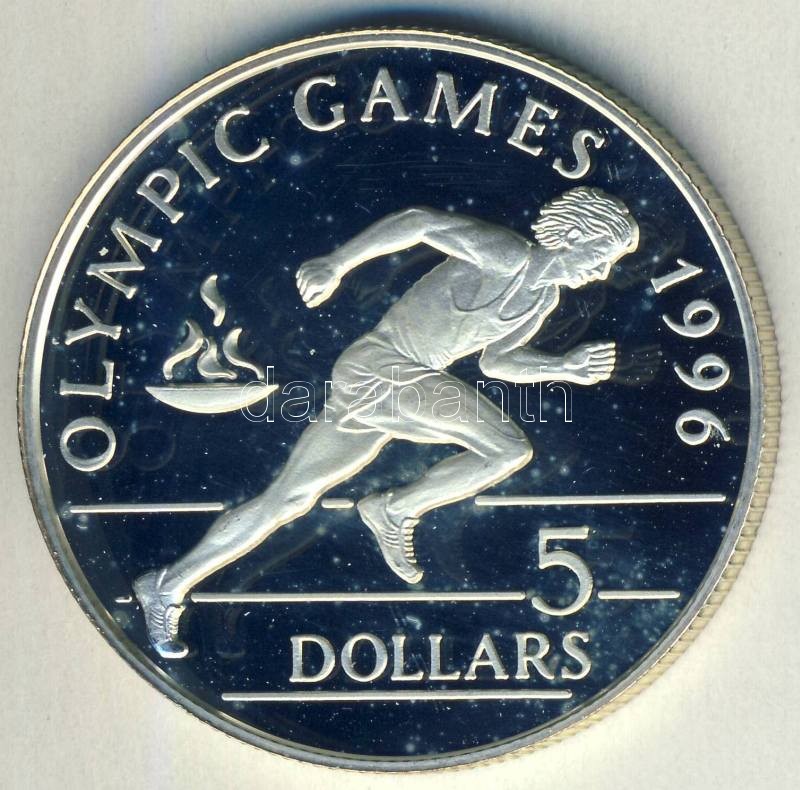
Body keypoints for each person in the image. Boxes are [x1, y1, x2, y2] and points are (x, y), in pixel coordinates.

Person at [134, 186, 639, 658]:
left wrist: (563, 367)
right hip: (385, 367)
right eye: (601, 257)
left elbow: (498, 361)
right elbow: (419, 221)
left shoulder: (543, 299)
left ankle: (166, 585)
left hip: (386, 381)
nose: (601, 274)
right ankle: (395, 509)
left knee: (286, 499)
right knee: (508, 449)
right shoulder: (508, 254)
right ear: (574, 236)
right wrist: (337, 263)